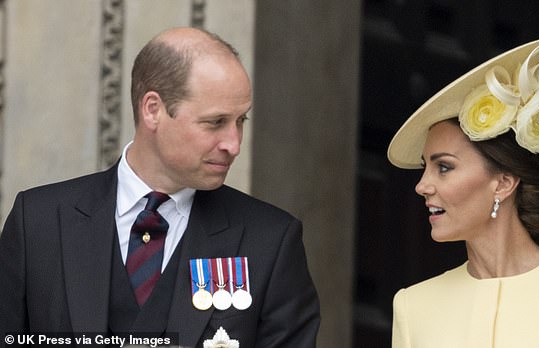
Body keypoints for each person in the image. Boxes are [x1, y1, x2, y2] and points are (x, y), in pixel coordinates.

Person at [0, 27, 320, 347]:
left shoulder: (270, 241)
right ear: (152, 109)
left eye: (240, 121)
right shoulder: (38, 223)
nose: (233, 144)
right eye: (215, 122)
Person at [388, 37, 539, 347]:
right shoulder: (413, 307)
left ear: (504, 182)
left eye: (444, 168)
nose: (422, 186)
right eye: (425, 167)